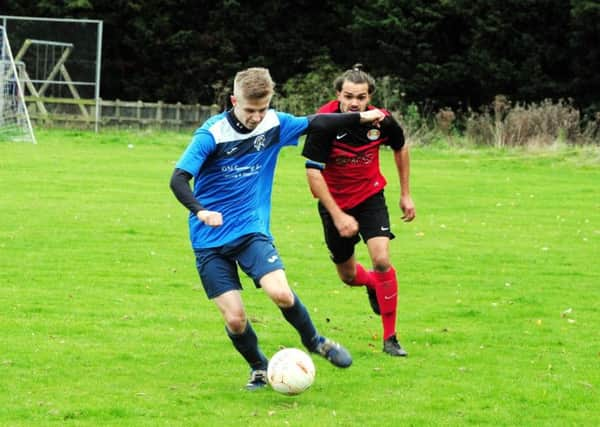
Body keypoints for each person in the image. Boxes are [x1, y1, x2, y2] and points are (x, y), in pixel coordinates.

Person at [170, 67, 385, 390]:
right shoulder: (211, 134)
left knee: (281, 293)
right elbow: (178, 179)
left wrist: (362, 118)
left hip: (250, 230)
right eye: (249, 110)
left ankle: (315, 341)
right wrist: (200, 211)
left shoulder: (274, 123)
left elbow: (317, 122)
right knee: (235, 319)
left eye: (262, 109)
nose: (256, 117)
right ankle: (258, 366)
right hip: (209, 239)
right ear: (233, 101)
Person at [301, 64, 416, 357]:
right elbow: (313, 175)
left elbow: (401, 147)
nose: (355, 102)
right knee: (349, 276)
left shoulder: (381, 122)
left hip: (370, 197)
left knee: (381, 259)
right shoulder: (324, 124)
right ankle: (371, 284)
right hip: (334, 204)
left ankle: (390, 338)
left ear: (370, 97)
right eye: (349, 96)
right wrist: (338, 215)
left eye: (361, 97)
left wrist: (405, 193)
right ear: (338, 94)